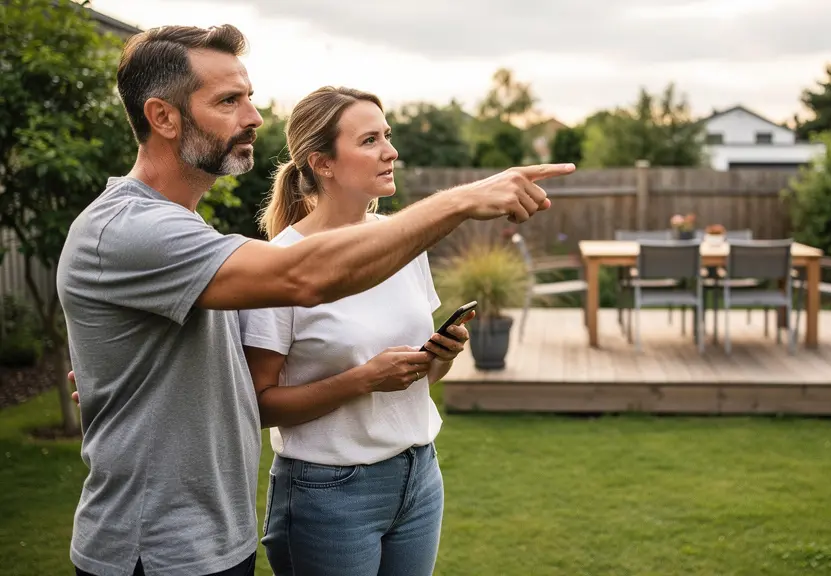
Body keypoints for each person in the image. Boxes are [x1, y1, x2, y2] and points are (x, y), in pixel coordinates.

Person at [56, 24, 573, 576]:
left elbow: (207, 364)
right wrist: (463, 201)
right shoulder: (131, 228)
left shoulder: (184, 230)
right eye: (229, 101)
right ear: (163, 117)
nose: (255, 117)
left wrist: (120, 376)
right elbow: (305, 276)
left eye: (249, 97)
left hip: (214, 540)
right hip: (156, 549)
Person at [238, 86, 468, 576]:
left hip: (419, 475)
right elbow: (257, 405)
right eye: (369, 140)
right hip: (330, 493)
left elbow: (422, 379)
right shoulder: (278, 265)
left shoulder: (403, 243)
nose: (391, 151)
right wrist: (363, 380)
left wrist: (441, 355)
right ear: (322, 163)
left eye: (387, 135)